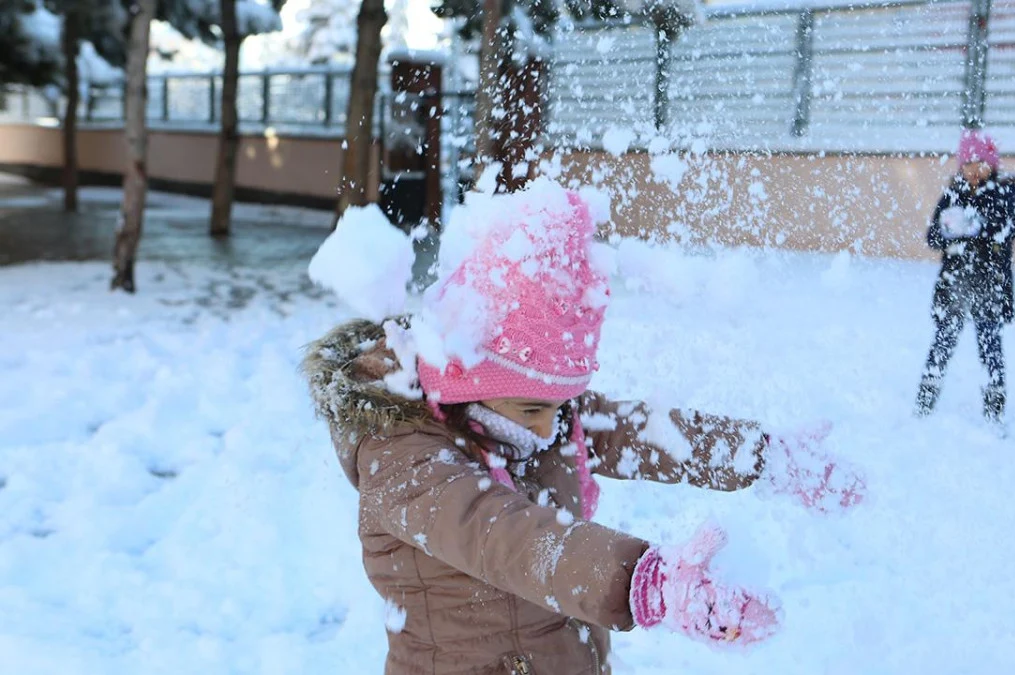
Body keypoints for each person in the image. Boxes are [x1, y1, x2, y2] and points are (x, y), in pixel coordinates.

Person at [304, 179, 866, 674]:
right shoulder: (406, 462)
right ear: (464, 383)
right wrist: (644, 581)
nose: (552, 424)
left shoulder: (530, 415)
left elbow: (646, 433)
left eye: (561, 402)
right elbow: (510, 538)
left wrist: (760, 455)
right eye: (533, 407)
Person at [915, 130, 1015, 426]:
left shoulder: (1007, 193)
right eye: (967, 164)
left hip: (989, 284)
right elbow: (933, 237)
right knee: (943, 340)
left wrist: (976, 226)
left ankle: (994, 404)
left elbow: (1008, 228)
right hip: (955, 283)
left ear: (992, 165)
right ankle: (926, 397)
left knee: (989, 342)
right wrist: (949, 230)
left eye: (980, 164)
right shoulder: (952, 194)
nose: (974, 170)